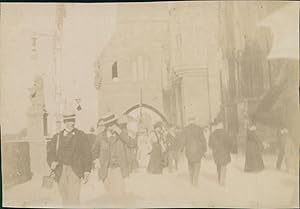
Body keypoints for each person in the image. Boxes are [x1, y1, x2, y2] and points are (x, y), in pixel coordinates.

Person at [46, 112, 92, 206]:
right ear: (64, 122)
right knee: (64, 196)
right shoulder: (57, 137)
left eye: (73, 120)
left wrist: (87, 171)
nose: (71, 123)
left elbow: (87, 154)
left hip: (75, 170)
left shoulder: (81, 135)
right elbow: (50, 152)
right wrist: (52, 162)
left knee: (74, 198)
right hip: (60, 170)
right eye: (69, 121)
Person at [92, 113, 136, 197]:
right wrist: (96, 161)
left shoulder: (122, 135)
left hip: (119, 168)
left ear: (116, 123)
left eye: (113, 124)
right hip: (106, 169)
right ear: (106, 126)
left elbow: (132, 144)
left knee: (119, 194)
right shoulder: (100, 137)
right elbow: (94, 151)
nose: (111, 127)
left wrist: (120, 132)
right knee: (109, 195)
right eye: (109, 125)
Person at [181, 117, 207, 187]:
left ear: (189, 121)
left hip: (189, 151)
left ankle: (191, 181)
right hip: (198, 151)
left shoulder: (185, 129)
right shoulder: (199, 128)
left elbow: (183, 140)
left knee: (190, 165)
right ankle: (195, 182)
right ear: (194, 121)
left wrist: (182, 149)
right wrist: (204, 150)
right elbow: (203, 140)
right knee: (197, 166)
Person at [209, 119, 232, 186]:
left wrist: (214, 148)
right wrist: (229, 149)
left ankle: (219, 179)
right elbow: (230, 143)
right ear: (221, 125)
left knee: (218, 166)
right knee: (223, 167)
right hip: (224, 152)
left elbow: (210, 145)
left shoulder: (212, 134)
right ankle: (222, 182)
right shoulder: (225, 133)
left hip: (216, 153)